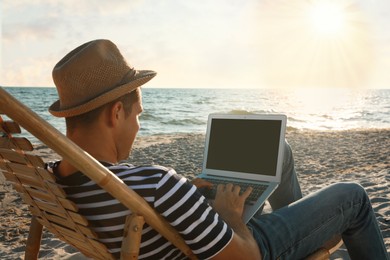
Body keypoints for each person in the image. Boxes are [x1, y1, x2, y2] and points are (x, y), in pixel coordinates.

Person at [47, 39, 388, 260]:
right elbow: (246, 257)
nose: (138, 127)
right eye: (137, 115)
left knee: (278, 150)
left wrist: (185, 196)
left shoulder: (53, 181)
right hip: (243, 247)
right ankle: (308, 236)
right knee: (353, 196)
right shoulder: (156, 184)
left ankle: (303, 225)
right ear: (116, 113)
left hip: (182, 232)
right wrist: (229, 217)